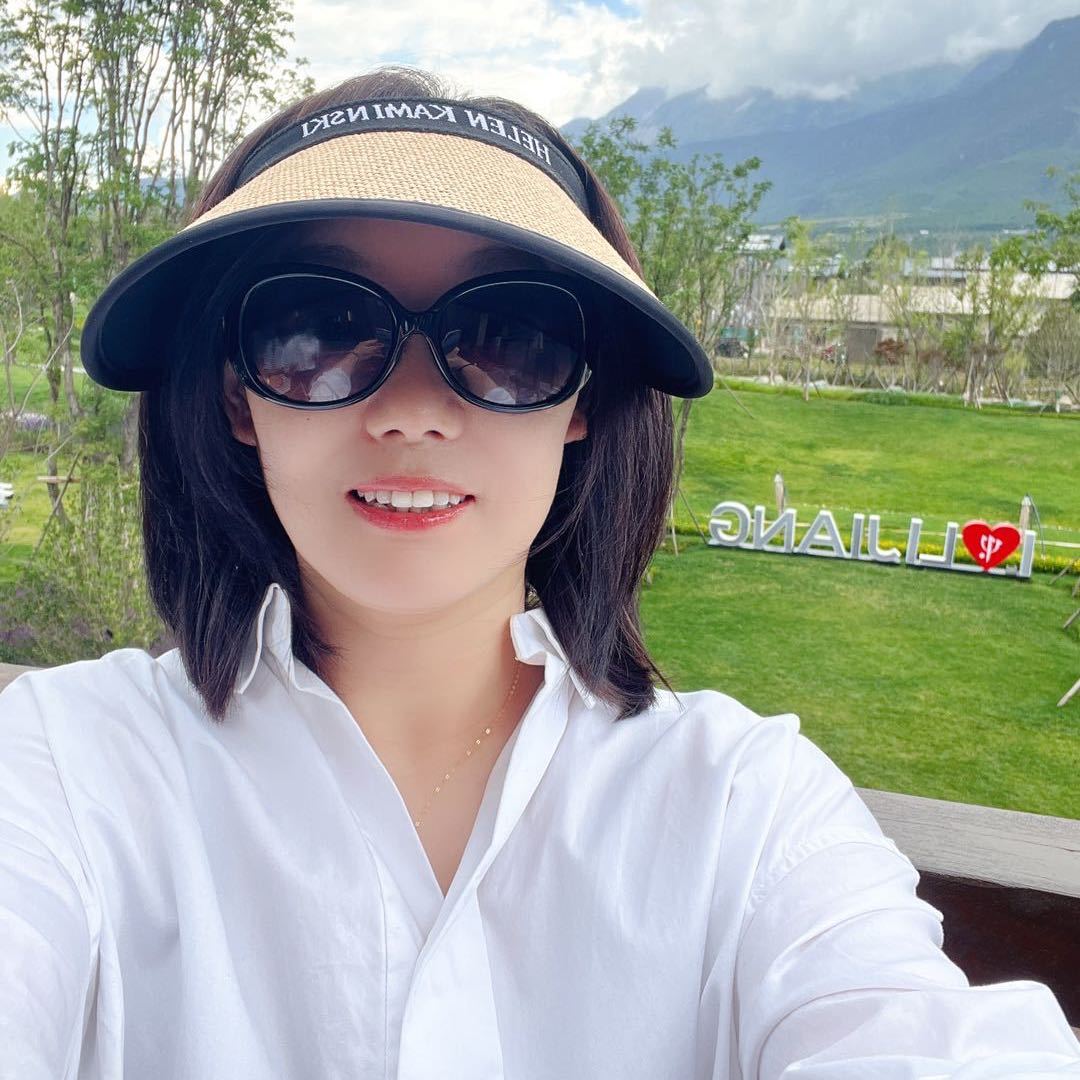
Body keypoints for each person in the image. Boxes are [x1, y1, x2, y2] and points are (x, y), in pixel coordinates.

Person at [0, 68, 1077, 1080]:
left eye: (508, 335)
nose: (412, 411)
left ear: (583, 401)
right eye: (319, 326)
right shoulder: (63, 770)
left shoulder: (746, 813)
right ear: (238, 396)